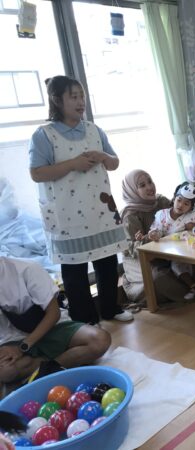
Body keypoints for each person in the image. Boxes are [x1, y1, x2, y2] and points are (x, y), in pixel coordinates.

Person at [28, 75, 132, 324]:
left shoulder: (94, 130)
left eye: (81, 96)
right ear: (57, 100)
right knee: (74, 269)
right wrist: (72, 164)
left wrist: (103, 156)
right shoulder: (44, 135)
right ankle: (84, 319)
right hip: (67, 213)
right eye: (73, 97)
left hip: (100, 209)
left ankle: (111, 309)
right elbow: (36, 173)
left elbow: (114, 163)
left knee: (107, 261)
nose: (80, 102)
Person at [0, 257, 110, 387]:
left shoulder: (26, 269)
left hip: (53, 327)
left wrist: (22, 347)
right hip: (15, 338)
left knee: (100, 340)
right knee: (6, 372)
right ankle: (59, 363)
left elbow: (53, 313)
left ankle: (43, 371)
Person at [120, 170, 195, 304]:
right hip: (145, 259)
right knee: (160, 278)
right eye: (142, 185)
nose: (149, 187)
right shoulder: (130, 216)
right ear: (132, 190)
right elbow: (132, 250)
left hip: (168, 249)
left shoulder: (160, 201)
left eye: (150, 181)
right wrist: (149, 238)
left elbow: (182, 216)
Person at [148, 182, 195, 300]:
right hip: (169, 252)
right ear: (174, 198)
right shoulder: (161, 214)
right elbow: (157, 231)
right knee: (177, 266)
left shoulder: (190, 216)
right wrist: (154, 235)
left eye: (186, 203)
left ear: (191, 207)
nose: (181, 205)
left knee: (187, 264)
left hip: (186, 249)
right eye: (179, 200)